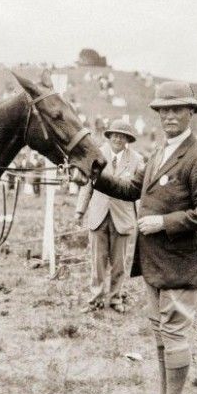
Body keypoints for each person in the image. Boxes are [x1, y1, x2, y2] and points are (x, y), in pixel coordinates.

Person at [92, 81, 197, 394]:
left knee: (175, 335)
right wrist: (95, 174)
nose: (169, 116)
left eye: (177, 109)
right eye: (163, 110)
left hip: (180, 265)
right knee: (161, 336)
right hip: (153, 263)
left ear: (191, 112)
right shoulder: (158, 153)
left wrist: (164, 222)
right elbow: (129, 188)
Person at [75, 119, 144, 313]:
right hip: (98, 215)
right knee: (97, 261)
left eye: (122, 136)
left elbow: (139, 190)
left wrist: (142, 216)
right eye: (114, 135)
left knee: (119, 262)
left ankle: (115, 298)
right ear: (109, 136)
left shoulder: (137, 160)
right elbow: (87, 185)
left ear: (128, 139)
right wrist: (80, 211)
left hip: (122, 217)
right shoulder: (97, 154)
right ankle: (95, 298)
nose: (118, 139)